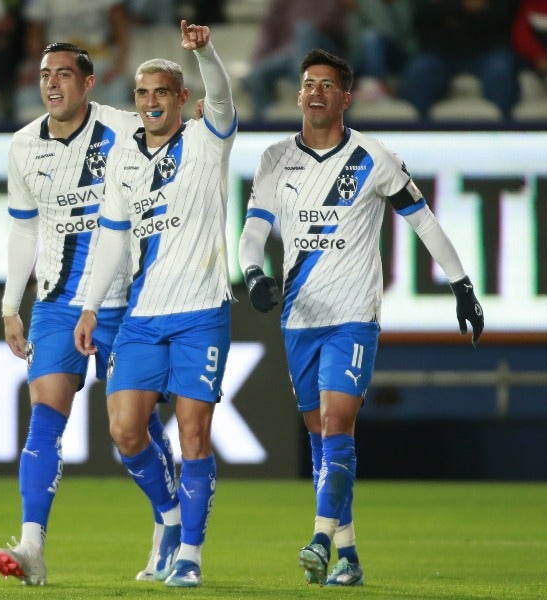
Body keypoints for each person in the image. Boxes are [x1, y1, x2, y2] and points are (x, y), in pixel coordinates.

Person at [238, 48, 484, 587]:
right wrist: (254, 275)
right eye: (308, 83)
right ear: (298, 94)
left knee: (336, 424)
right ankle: (348, 556)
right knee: (319, 438)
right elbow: (254, 232)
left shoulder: (374, 156)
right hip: (299, 318)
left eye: (328, 84)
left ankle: (320, 539)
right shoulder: (276, 159)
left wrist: (462, 286)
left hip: (353, 316)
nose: (316, 92)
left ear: (346, 97)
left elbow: (424, 223)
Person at [0, 40, 175, 586]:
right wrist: (9, 305)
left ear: (88, 83)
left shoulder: (125, 128)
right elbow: (25, 228)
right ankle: (31, 546)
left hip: (127, 302)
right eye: (45, 74)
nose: (52, 84)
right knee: (44, 416)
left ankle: (169, 523)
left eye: (64, 75)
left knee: (132, 430)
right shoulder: (23, 146)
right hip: (54, 304)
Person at [73, 20, 237, 588]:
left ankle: (189, 554)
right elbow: (114, 238)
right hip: (141, 315)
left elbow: (221, 95)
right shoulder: (122, 161)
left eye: (161, 93)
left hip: (200, 311)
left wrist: (204, 51)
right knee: (124, 431)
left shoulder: (206, 138)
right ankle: (168, 519)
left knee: (193, 434)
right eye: (142, 94)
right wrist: (91, 306)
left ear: (181, 98)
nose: (149, 103)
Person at [398, 0, 519, 120]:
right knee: (419, 71)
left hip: (490, 49)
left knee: (500, 72)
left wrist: (450, 11)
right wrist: (462, 7)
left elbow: (504, 15)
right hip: (441, 51)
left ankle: (503, 133)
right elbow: (422, 18)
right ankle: (417, 134)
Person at [14, 0, 132, 121]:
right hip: (56, 60)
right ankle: (30, 138)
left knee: (117, 87)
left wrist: (119, 65)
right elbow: (34, 35)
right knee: (27, 91)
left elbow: (121, 27)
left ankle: (114, 137)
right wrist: (34, 64)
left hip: (96, 60)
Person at [244, 0, 346, 122]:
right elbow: (268, 32)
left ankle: (303, 84)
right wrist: (255, 62)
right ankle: (264, 125)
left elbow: (336, 28)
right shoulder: (280, 3)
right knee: (257, 74)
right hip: (287, 56)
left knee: (305, 30)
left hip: (323, 54)